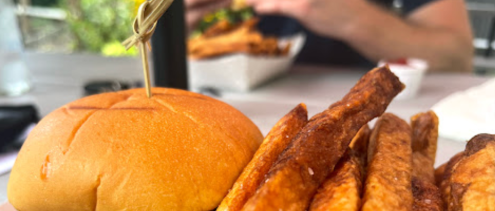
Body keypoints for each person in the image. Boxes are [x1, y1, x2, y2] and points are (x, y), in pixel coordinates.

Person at [185, 0, 473, 71]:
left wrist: (355, 19)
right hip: (217, 114)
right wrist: (169, 26)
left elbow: (456, 56)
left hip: (372, 117)